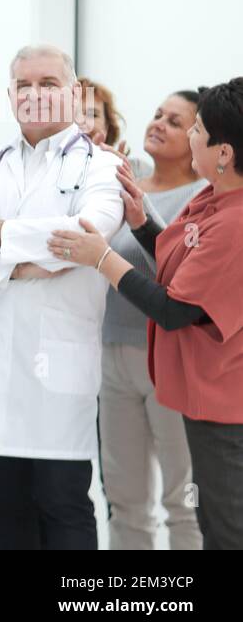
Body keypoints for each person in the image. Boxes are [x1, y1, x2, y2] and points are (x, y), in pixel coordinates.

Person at [45, 77, 243, 549]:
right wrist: (142, 223)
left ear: (224, 153)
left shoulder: (233, 221)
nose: (187, 134)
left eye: (194, 128)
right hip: (188, 389)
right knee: (145, 499)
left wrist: (101, 257)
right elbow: (181, 267)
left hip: (221, 403)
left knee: (219, 526)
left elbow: (176, 309)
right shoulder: (211, 200)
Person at [0, 44, 123, 550]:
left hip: (58, 370)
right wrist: (25, 264)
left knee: (64, 505)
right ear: (10, 95)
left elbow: (88, 231)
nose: (35, 94)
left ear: (73, 92)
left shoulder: (101, 166)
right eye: (23, 85)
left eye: (48, 83)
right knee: (4, 507)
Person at [90, 90, 205, 550]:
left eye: (176, 122)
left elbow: (179, 274)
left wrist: (140, 207)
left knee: (183, 498)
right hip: (112, 355)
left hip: (169, 359)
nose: (158, 123)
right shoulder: (124, 176)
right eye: (157, 114)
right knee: (124, 497)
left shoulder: (203, 197)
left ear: (199, 136)